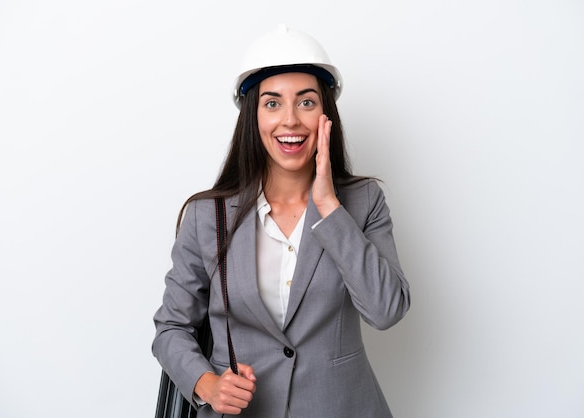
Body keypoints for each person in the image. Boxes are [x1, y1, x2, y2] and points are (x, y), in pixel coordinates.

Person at [152, 24, 410, 418]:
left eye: (306, 102)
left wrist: (328, 205)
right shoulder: (209, 216)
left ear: (326, 114)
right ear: (253, 117)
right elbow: (171, 328)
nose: (290, 120)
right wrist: (208, 385)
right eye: (272, 103)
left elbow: (386, 310)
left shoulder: (363, 202)